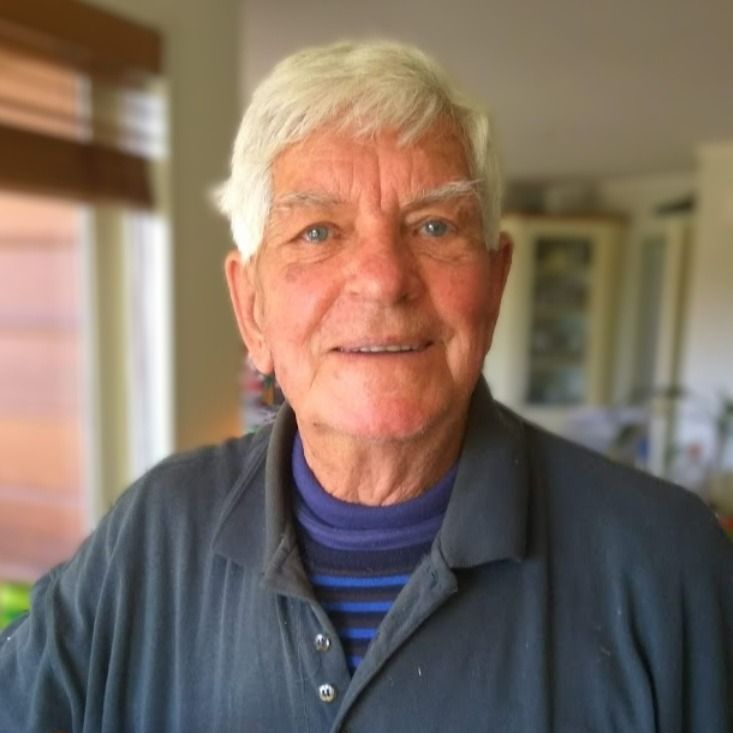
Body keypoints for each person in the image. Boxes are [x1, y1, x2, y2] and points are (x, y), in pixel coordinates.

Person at [1, 39, 731, 733]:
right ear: (251, 308)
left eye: (434, 226)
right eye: (318, 232)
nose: (383, 279)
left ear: (495, 283)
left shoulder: (666, 563)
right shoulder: (152, 533)